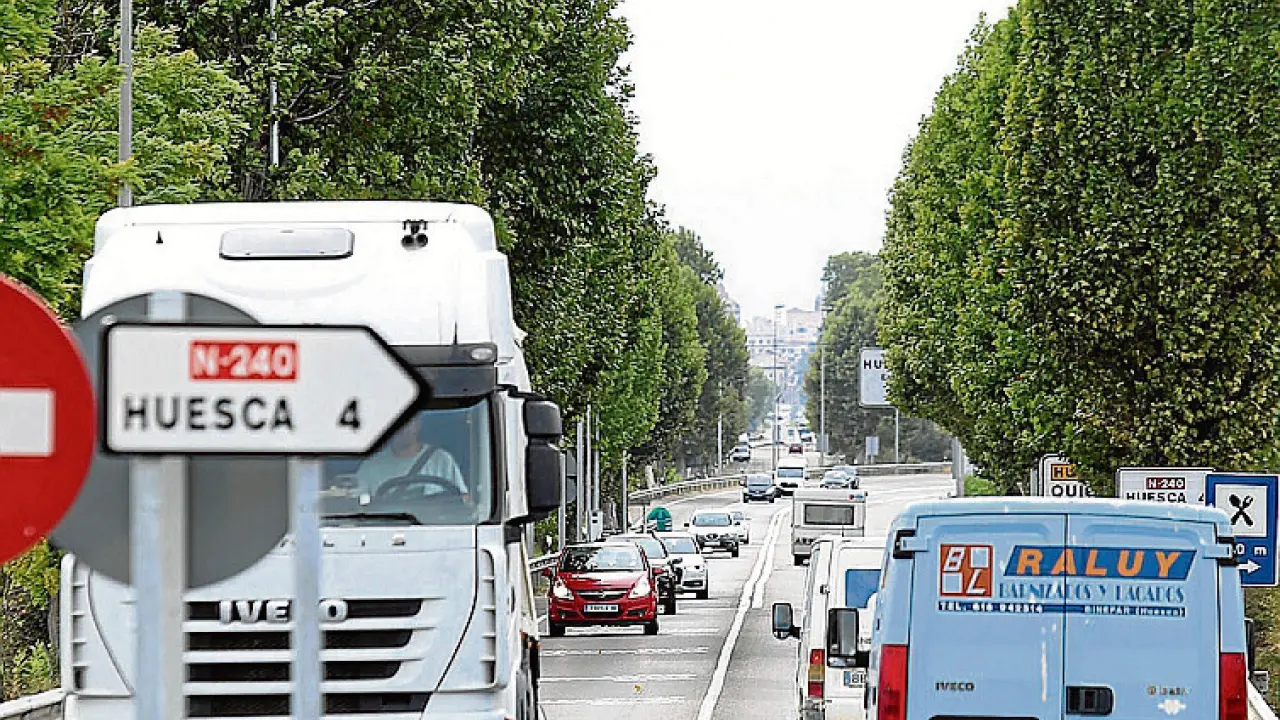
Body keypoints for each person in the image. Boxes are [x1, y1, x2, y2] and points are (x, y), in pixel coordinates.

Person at [350, 414, 466, 501]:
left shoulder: (442, 460)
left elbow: (464, 499)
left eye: (407, 421)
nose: (403, 427)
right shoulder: (371, 466)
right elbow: (356, 506)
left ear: (418, 424)